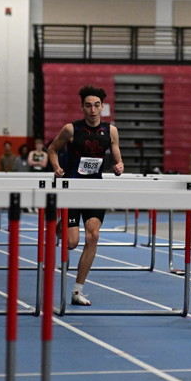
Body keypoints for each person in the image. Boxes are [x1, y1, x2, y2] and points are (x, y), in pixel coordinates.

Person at [47, 85, 125, 307]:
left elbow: (118, 157)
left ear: (102, 107)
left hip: (95, 189)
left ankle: (77, 290)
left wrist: (119, 166)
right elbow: (52, 149)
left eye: (96, 105)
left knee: (93, 236)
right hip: (73, 188)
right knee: (71, 243)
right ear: (82, 107)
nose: (92, 110)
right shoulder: (71, 129)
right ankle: (62, 224)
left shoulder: (111, 131)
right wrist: (56, 167)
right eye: (88, 105)